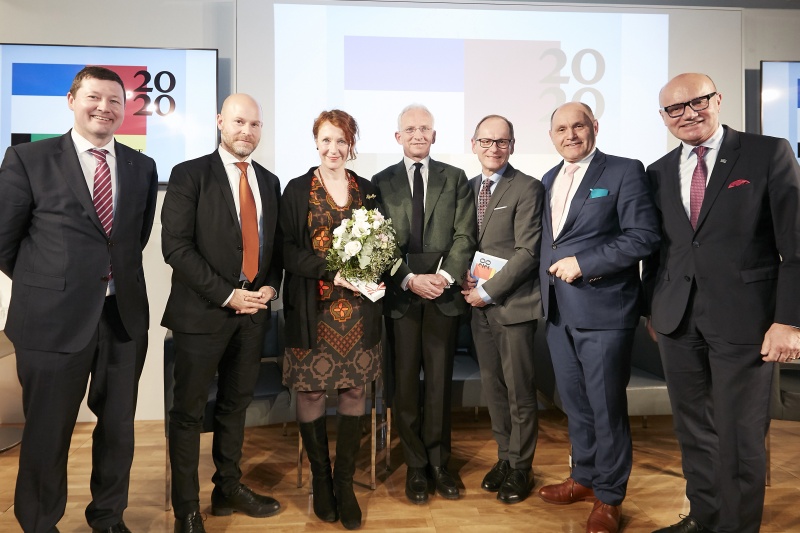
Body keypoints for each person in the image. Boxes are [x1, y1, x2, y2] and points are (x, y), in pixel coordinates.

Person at [0, 66, 158, 533]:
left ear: (125, 109)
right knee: (47, 434)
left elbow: (134, 238)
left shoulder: (140, 165)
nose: (104, 108)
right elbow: (6, 243)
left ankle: (108, 518)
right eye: (94, 97)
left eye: (115, 100)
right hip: (50, 322)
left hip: (122, 318)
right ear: (71, 100)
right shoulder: (28, 158)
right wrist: (53, 284)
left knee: (118, 431)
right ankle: (40, 523)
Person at [645, 73, 800, 533]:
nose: (688, 113)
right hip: (677, 320)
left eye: (697, 101)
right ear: (664, 117)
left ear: (718, 99)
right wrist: (653, 308)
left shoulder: (767, 152)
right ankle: (703, 517)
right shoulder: (656, 171)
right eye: (675, 108)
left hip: (747, 320)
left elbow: (795, 246)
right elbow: (660, 250)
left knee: (740, 436)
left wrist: (788, 321)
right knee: (693, 432)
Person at [161, 93, 283, 533]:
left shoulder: (269, 181)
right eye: (238, 122)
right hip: (201, 316)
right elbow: (174, 247)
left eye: (254, 124)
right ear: (219, 122)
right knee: (189, 414)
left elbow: (273, 248)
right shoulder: (189, 173)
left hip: (252, 317)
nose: (246, 131)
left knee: (235, 406)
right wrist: (227, 294)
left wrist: (270, 285)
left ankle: (227, 487)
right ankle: (187, 509)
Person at [536, 102, 660, 533]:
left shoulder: (625, 171)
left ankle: (610, 496)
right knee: (574, 403)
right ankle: (584, 477)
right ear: (551, 136)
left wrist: (584, 263)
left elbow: (642, 236)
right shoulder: (549, 178)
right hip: (557, 313)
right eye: (561, 129)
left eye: (578, 126)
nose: (570, 135)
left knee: (606, 407)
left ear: (594, 128)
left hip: (604, 310)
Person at [281, 109, 381, 531]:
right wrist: (332, 270)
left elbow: (382, 243)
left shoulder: (369, 190)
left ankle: (345, 485)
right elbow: (285, 250)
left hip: (359, 311)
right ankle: (321, 482)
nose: (333, 149)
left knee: (356, 389)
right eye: (326, 140)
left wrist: (372, 269)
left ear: (351, 144)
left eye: (341, 141)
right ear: (315, 142)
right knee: (311, 393)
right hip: (313, 309)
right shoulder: (297, 189)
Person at [372, 104, 476, 504]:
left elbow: (465, 235)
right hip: (401, 297)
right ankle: (415, 465)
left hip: (443, 298)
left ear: (435, 135)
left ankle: (439, 463)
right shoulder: (381, 182)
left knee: (437, 386)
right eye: (410, 129)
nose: (418, 135)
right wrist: (411, 279)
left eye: (425, 129)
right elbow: (378, 241)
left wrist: (444, 278)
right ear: (398, 137)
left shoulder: (455, 178)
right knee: (403, 387)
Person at [460, 115, 544, 504]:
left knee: (519, 391)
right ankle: (505, 457)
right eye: (487, 141)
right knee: (493, 388)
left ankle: (522, 467)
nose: (494, 148)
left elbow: (528, 252)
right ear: (473, 144)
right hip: (476, 308)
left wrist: (488, 291)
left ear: (513, 145)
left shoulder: (528, 187)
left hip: (511, 306)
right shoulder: (468, 187)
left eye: (502, 142)